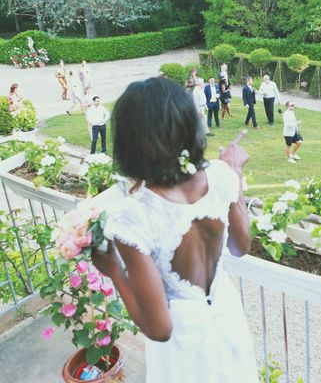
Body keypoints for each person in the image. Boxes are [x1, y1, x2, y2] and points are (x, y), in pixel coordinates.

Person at [93, 77, 258, 383]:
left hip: (183, 341)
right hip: (225, 311)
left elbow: (159, 329)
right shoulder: (222, 175)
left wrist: (113, 270)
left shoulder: (132, 216)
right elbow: (241, 246)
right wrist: (235, 174)